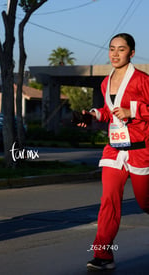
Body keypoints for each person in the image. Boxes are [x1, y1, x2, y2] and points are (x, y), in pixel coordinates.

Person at [77, 33, 149, 271]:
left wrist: (134, 111)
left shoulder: (142, 80)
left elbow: (132, 110)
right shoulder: (105, 82)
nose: (115, 54)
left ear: (132, 53)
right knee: (108, 200)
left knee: (145, 202)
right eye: (112, 49)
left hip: (141, 151)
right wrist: (93, 115)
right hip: (114, 151)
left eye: (121, 49)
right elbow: (110, 112)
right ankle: (103, 254)